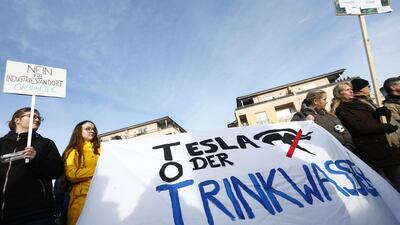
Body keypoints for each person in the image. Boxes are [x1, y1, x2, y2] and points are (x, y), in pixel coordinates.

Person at [331, 81, 400, 191]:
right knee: (389, 187)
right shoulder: (342, 109)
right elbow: (359, 128)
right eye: (347, 90)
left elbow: (380, 121)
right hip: (371, 150)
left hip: (386, 145)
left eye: (351, 89)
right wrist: (386, 127)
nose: (351, 91)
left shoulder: (362, 103)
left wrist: (385, 113)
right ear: (339, 94)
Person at [0, 107, 64, 225]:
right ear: (17, 120)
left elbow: (57, 170)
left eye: (39, 117)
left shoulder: (46, 143)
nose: (37, 119)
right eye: (32, 116)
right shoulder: (2, 143)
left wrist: (36, 159)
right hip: (4, 213)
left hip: (36, 214)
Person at [63, 121, 101, 225]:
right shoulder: (72, 151)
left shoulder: (101, 150)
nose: (92, 131)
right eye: (88, 128)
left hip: (102, 196)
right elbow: (71, 174)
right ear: (79, 131)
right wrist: (98, 170)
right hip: (81, 199)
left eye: (93, 129)